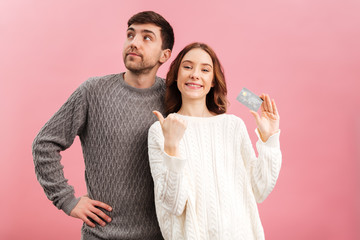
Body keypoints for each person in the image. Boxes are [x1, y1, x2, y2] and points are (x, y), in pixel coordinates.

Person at [32, 11, 174, 240]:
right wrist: (67, 200)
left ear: (164, 55)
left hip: (162, 235)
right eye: (130, 35)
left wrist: (253, 99)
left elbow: (216, 99)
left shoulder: (174, 98)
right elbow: (44, 144)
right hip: (101, 235)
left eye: (147, 37)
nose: (134, 43)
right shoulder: (93, 91)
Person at [148, 42, 282, 239]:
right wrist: (172, 146)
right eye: (187, 67)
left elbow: (259, 190)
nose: (195, 74)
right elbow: (173, 205)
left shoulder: (232, 126)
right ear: (176, 75)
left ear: (212, 81)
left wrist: (270, 140)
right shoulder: (160, 130)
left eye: (205, 69)